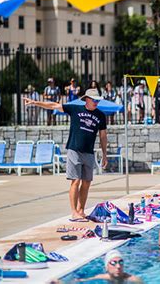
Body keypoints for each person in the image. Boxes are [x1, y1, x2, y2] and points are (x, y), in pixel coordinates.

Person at [23, 89, 108, 222]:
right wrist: (35, 102)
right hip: (74, 150)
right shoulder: (75, 109)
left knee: (87, 182)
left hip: (89, 152)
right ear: (86, 99)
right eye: (94, 100)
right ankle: (74, 212)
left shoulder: (101, 115)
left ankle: (81, 210)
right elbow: (53, 105)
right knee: (76, 181)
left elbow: (103, 135)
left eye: (98, 100)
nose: (97, 102)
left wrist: (104, 154)